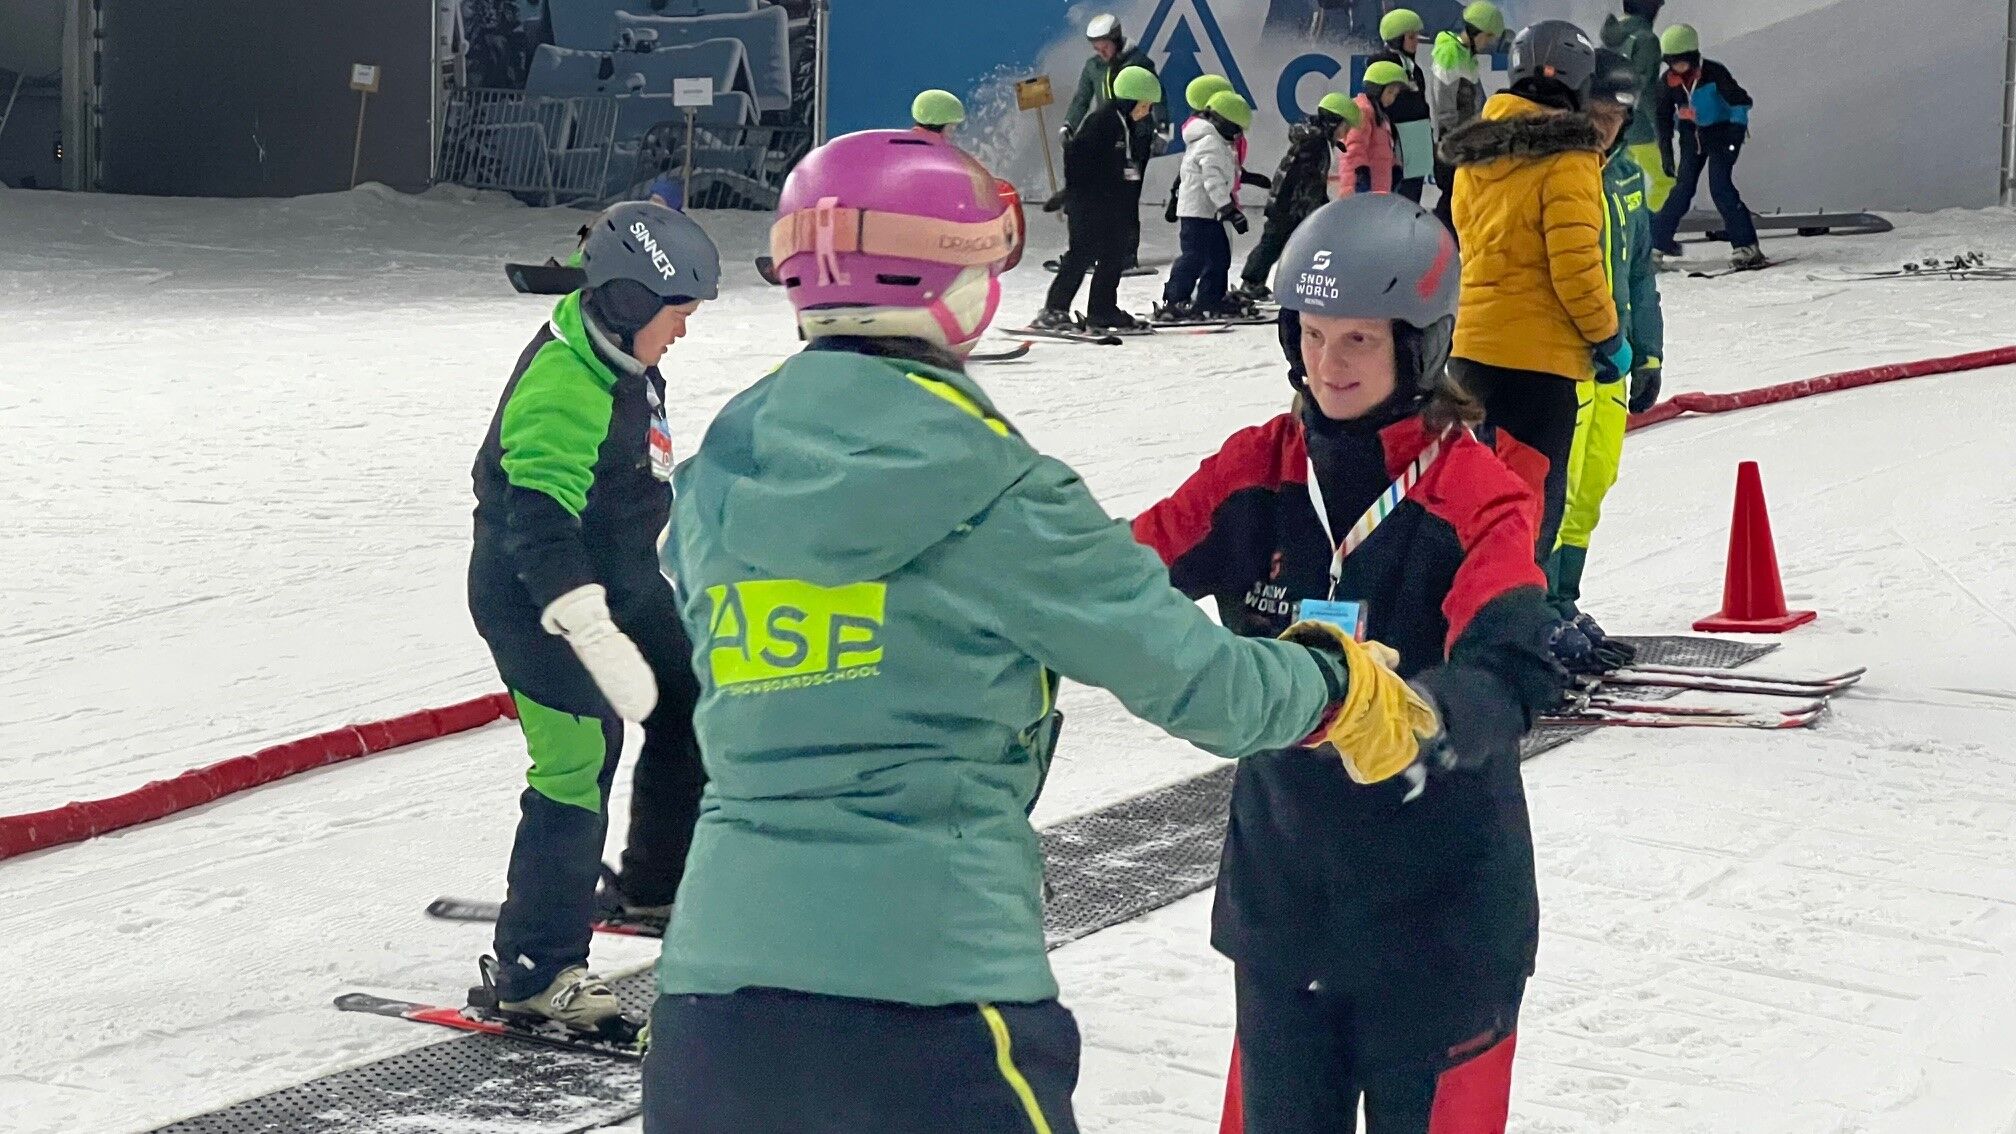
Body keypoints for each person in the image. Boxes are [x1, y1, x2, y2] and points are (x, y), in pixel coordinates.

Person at [643, 128, 1443, 1134]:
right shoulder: (994, 490)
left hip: (714, 1006)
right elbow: (1205, 685)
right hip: (935, 995)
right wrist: (1336, 682)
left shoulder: (716, 479)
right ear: (952, 287)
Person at [1133, 193, 1561, 1134]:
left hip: (1441, 926)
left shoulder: (1472, 490)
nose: (1330, 364)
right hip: (1286, 916)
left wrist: (1424, 719)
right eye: (1313, 335)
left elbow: (1511, 661)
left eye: (1359, 339)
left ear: (1420, 345)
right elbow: (1118, 579)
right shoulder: (1260, 468)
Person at [466, 201, 718, 1030]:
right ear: (628, 300)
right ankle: (535, 970)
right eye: (676, 312)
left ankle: (655, 885)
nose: (683, 330)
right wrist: (586, 622)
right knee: (579, 753)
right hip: (534, 595)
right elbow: (537, 522)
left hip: (621, 581)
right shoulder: (564, 381)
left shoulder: (621, 359)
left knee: (691, 697)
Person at [1440, 19, 1626, 565]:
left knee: (1473, 509)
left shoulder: (1477, 155)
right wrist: (1608, 338)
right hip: (1535, 367)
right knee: (1526, 519)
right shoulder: (1570, 156)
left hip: (1470, 353)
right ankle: (1515, 613)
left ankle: (1468, 609)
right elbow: (1575, 268)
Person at [1549, 49, 1667, 671]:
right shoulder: (1559, 171)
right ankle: (1539, 609)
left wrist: (1649, 352)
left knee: (1592, 487)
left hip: (1612, 362)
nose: (1605, 128)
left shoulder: (1624, 177)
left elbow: (1640, 271)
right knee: (1555, 492)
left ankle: (1563, 601)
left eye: (1616, 118)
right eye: (1596, 115)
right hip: (1565, 360)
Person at [1038, 66, 1164, 332]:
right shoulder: (1103, 121)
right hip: (1089, 203)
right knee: (1081, 254)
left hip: (1109, 205)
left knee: (1113, 254)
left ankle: (1102, 310)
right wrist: (1073, 192)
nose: (1147, 111)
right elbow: (1075, 154)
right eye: (1145, 105)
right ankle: (1054, 309)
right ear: (1130, 100)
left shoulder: (1126, 125)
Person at [1649, 24, 1763, 270]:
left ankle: (1746, 246)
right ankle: (1655, 246)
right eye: (1673, 62)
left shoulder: (1713, 72)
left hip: (1723, 135)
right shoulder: (1667, 82)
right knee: (1682, 190)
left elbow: (1741, 101)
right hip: (1692, 137)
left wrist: (1736, 133)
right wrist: (1666, 152)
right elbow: (1662, 118)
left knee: (1720, 186)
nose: (1678, 67)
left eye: (1683, 61)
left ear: (1693, 56)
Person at [1234, 92, 1360, 302]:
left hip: (1291, 203)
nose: (1346, 133)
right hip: (1288, 205)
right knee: (1273, 243)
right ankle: (1251, 282)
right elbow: (1307, 180)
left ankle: (1258, 281)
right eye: (1345, 126)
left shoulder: (1317, 140)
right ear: (1333, 122)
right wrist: (1317, 207)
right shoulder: (1315, 144)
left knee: (1281, 244)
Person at [1065, 13, 1163, 272]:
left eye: (1105, 47)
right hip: (1107, 140)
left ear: (1117, 40)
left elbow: (1157, 95)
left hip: (1135, 140)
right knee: (1102, 197)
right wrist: (1069, 125)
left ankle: (1126, 254)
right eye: (1097, 48)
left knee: (1127, 197)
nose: (1102, 53)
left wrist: (1161, 128)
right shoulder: (1093, 67)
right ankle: (1095, 251)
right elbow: (1082, 99)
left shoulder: (1138, 63)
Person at [1159, 90, 1255, 323]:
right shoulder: (1210, 143)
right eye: (1236, 129)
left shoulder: (1215, 142)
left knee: (1219, 257)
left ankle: (1210, 298)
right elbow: (1212, 182)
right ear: (1225, 123)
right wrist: (1229, 210)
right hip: (1197, 213)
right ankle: (1175, 299)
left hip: (1208, 213)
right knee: (1194, 257)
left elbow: (1223, 174)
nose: (1238, 136)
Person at [1429, 1, 1506, 233]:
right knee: (1451, 200)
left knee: (1458, 199)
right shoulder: (1450, 53)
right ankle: (1441, 241)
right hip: (1453, 143)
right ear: (1476, 32)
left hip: (1464, 141)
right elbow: (1444, 106)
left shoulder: (1466, 55)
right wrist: (1456, 140)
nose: (1488, 43)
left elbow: (1473, 103)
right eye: (1488, 36)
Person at [1601, 0, 1673, 211]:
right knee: (1667, 181)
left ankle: (1623, 224)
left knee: (1622, 183)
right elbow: (1646, 92)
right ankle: (1648, 226)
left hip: (1612, 126)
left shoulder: (1611, 38)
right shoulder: (1646, 40)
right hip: (1639, 128)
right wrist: (1662, 129)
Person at [1373, 8, 1434, 202]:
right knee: (1399, 197)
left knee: (1413, 196)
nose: (1416, 42)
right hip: (1399, 143)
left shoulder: (1414, 68)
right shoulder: (1383, 68)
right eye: (1411, 37)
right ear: (1396, 39)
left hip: (1416, 142)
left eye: (1416, 36)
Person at [1338, 61, 1408, 197]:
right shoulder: (1363, 111)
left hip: (1377, 190)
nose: (1392, 98)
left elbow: (1381, 150)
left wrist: (1394, 167)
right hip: (1359, 191)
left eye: (1395, 94)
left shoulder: (1381, 116)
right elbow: (1354, 147)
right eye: (1390, 92)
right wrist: (1359, 173)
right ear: (1376, 89)